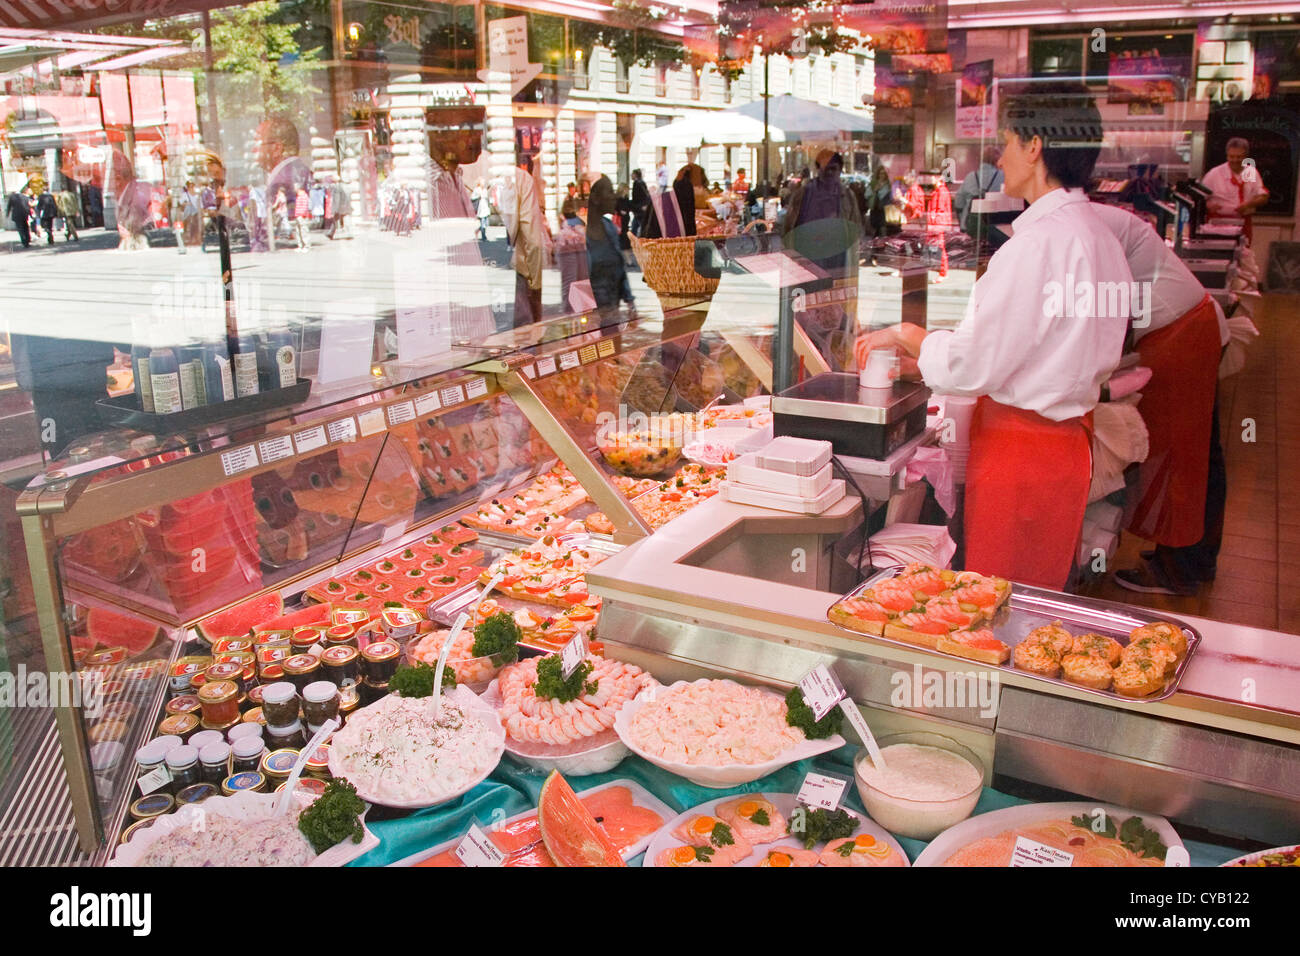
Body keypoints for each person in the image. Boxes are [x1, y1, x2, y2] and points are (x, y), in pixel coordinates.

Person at [855, 85, 1133, 590]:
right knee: (1040, 592)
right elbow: (1044, 346)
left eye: (1006, 141)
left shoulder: (1037, 246)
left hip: (1022, 455)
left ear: (1035, 146)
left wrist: (910, 335)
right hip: (1066, 451)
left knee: (1003, 599)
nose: (999, 157)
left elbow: (973, 365)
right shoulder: (1097, 234)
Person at [1087, 203, 1229, 597]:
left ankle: (1179, 570)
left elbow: (1094, 310)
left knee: (1179, 456)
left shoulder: (1077, 227)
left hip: (1181, 333)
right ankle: (1194, 557)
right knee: (1195, 453)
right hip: (1185, 326)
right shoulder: (1083, 219)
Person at [782, 150, 864, 369]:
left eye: (833, 168)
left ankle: (835, 371)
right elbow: (790, 228)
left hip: (839, 270)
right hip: (808, 269)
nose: (829, 173)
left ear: (840, 170)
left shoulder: (847, 196)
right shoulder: (804, 194)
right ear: (817, 169)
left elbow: (856, 232)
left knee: (838, 326)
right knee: (806, 326)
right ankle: (805, 369)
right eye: (825, 168)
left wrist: (854, 269)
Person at [256, 115, 311, 252]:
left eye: (258, 143)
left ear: (276, 148)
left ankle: (304, 244)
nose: (253, 150)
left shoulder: (283, 176)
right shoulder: (292, 169)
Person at [1201, 136, 1269, 243]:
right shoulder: (1214, 174)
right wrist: (1208, 205)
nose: (1235, 160)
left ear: (1246, 156)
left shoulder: (1251, 172)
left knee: (1243, 255)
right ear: (1227, 155)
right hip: (1217, 224)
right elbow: (1198, 197)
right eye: (1231, 156)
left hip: (1243, 222)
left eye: (1239, 157)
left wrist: (1248, 204)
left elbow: (1263, 196)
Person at [586, 174, 634, 321]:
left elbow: (619, 266)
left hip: (612, 309)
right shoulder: (582, 232)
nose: (614, 197)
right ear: (596, 198)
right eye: (609, 192)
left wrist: (629, 299)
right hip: (594, 313)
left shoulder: (609, 227)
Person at [953, 146, 1004, 234]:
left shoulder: (971, 176)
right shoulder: (1003, 176)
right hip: (997, 227)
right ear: (997, 160)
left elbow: (958, 202)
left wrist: (963, 220)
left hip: (971, 227)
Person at [554, 197, 590, 311]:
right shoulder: (579, 224)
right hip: (575, 249)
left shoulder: (565, 225)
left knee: (572, 281)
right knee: (579, 280)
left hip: (569, 250)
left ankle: (570, 309)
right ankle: (575, 308)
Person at [630, 168, 650, 237]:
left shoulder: (639, 183)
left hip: (639, 207)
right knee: (636, 224)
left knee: (639, 224)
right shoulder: (638, 182)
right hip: (638, 207)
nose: (631, 175)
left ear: (635, 175)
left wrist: (644, 205)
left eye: (632, 174)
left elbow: (646, 195)